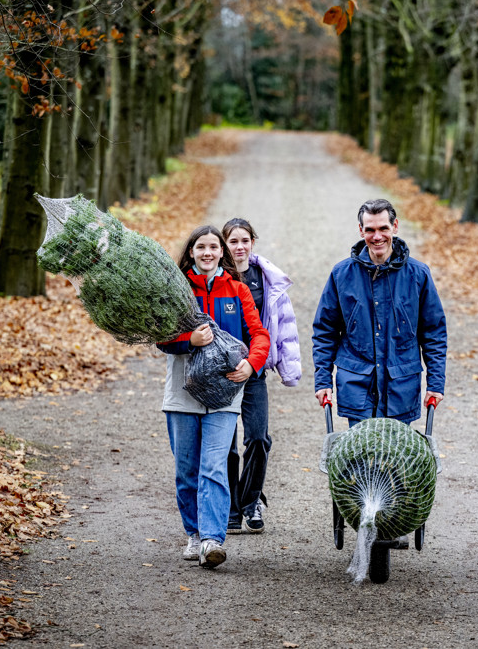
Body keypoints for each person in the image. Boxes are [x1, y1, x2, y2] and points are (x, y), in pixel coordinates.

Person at [157, 225, 270, 569]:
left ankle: (211, 540)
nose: (207, 253)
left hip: (225, 394)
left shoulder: (236, 289)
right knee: (187, 470)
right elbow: (161, 337)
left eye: (213, 247)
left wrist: (251, 365)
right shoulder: (176, 290)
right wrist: (189, 340)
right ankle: (193, 532)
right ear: (191, 252)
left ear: (222, 252)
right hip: (182, 393)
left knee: (214, 466)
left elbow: (259, 334)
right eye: (200, 247)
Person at [312, 199, 447, 426]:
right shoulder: (341, 274)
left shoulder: (418, 275)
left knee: (397, 460)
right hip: (357, 387)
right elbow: (324, 332)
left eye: (383, 228)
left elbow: (434, 333)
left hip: (400, 388)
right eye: (370, 230)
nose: (377, 237)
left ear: (395, 226)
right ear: (360, 231)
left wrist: (436, 384)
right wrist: (323, 381)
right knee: (361, 460)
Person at [221, 218, 301, 535]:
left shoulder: (266, 278)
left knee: (257, 437)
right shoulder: (217, 277)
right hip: (220, 374)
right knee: (225, 444)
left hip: (254, 369)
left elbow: (284, 324)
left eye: (245, 240)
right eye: (233, 241)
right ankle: (229, 508)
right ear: (224, 244)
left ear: (253, 242)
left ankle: (251, 499)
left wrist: (288, 369)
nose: (239, 247)